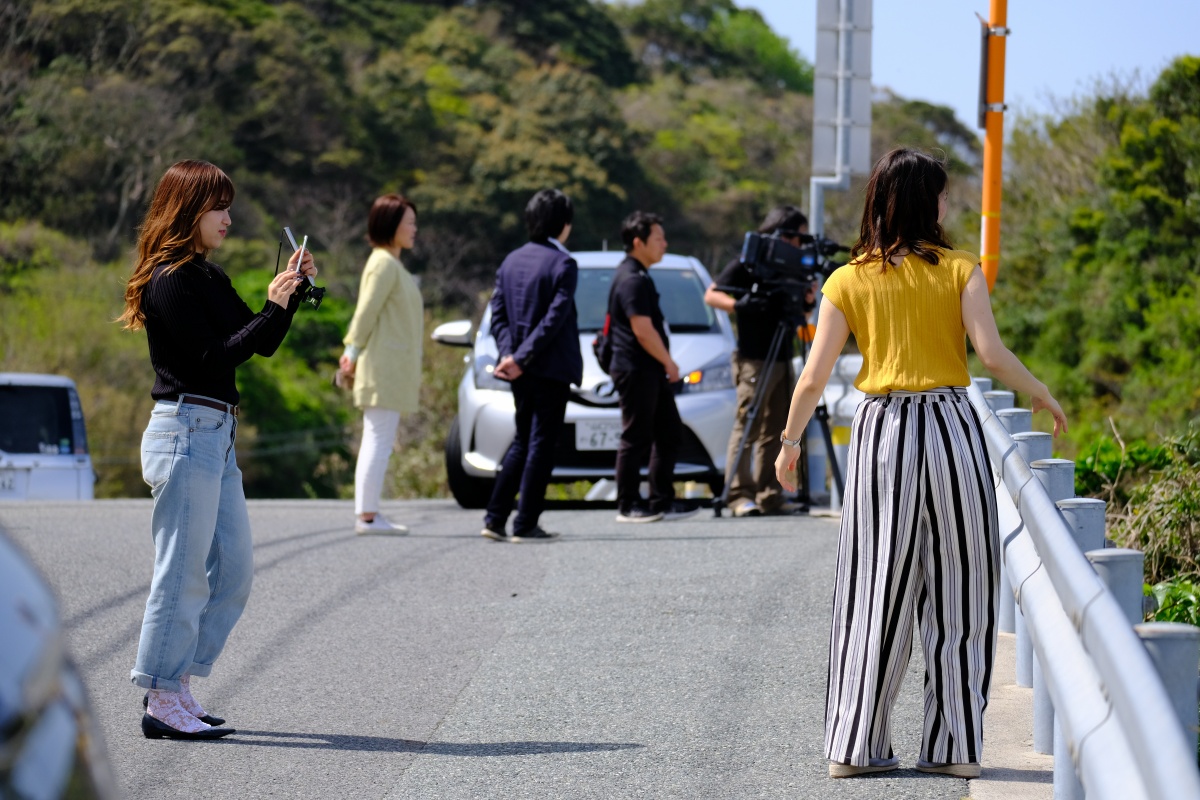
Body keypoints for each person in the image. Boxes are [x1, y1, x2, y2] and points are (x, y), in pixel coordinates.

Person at [774, 148, 1067, 779]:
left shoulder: (848, 279)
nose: (944, 204)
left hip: (882, 433)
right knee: (962, 583)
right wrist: (1041, 392)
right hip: (951, 428)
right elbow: (990, 355)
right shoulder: (961, 269)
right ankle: (954, 748)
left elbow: (812, 379)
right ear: (923, 202)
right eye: (939, 194)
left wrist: (789, 443)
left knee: (874, 586)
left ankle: (853, 746)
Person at [120, 159, 316, 740]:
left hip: (217, 437)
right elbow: (214, 357)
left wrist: (289, 291)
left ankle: (178, 683)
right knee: (180, 575)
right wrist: (274, 306)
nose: (228, 217)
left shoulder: (208, 276)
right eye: (218, 207)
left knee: (233, 572)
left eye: (228, 206)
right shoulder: (170, 278)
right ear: (188, 210)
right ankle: (160, 694)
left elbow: (260, 343)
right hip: (185, 431)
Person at [480, 189, 583, 543]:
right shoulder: (564, 264)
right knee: (542, 443)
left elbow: (499, 314)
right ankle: (525, 523)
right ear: (563, 224)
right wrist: (522, 358)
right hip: (549, 368)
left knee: (523, 439)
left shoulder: (510, 261)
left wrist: (511, 356)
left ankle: (495, 519)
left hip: (518, 370)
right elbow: (555, 320)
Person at [704, 205, 811, 517]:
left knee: (776, 427)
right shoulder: (750, 261)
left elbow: (801, 317)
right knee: (747, 425)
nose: (799, 245)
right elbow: (712, 295)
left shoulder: (794, 268)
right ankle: (739, 495)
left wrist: (806, 301)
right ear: (782, 233)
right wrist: (740, 305)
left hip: (781, 355)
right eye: (797, 237)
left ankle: (770, 494)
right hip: (753, 357)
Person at [338, 194, 424, 535]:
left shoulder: (390, 263)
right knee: (378, 438)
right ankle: (368, 516)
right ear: (391, 226)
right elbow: (366, 312)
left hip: (389, 367)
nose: (414, 229)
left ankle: (369, 514)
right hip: (382, 367)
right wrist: (352, 351)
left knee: (379, 438)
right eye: (409, 223)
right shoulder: (384, 263)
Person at [608, 211, 699, 524]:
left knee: (669, 433)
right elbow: (642, 330)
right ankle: (628, 503)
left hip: (648, 370)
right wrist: (669, 362)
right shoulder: (631, 278)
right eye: (658, 238)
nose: (664, 244)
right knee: (636, 436)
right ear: (638, 242)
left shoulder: (640, 274)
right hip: (636, 368)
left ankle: (661, 500)